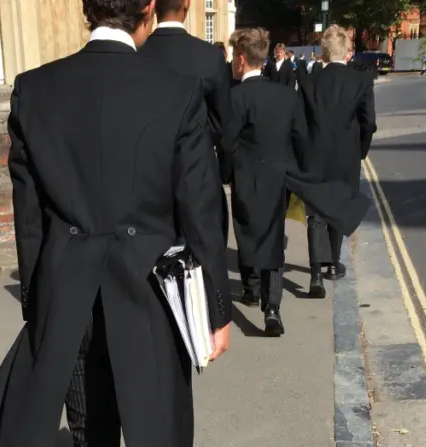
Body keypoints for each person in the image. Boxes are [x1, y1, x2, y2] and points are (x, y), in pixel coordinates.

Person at [0, 0, 232, 447]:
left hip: (71, 295)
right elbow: (201, 213)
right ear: (147, 11)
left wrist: (43, 311)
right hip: (151, 291)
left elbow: (28, 222)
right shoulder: (177, 93)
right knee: (158, 404)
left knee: (91, 444)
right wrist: (214, 309)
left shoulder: (35, 89)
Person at [225, 27, 370, 334]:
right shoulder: (284, 96)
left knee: (249, 231)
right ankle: (273, 305)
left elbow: (227, 143)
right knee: (274, 235)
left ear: (241, 58)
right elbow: (300, 136)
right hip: (281, 174)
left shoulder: (235, 97)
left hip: (247, 176)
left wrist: (226, 173)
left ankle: (252, 289)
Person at [298, 25, 376, 297]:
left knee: (315, 214)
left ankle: (316, 275)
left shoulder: (309, 82)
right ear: (348, 52)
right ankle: (333, 263)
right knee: (338, 210)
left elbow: (299, 124)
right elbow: (370, 123)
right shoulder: (361, 81)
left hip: (314, 155)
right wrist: (361, 151)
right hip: (346, 156)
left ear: (323, 52)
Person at [142, 0, 233, 212]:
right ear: (187, 5)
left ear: (153, 6)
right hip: (197, 168)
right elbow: (222, 122)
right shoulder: (209, 56)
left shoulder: (138, 52)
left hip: (148, 170)